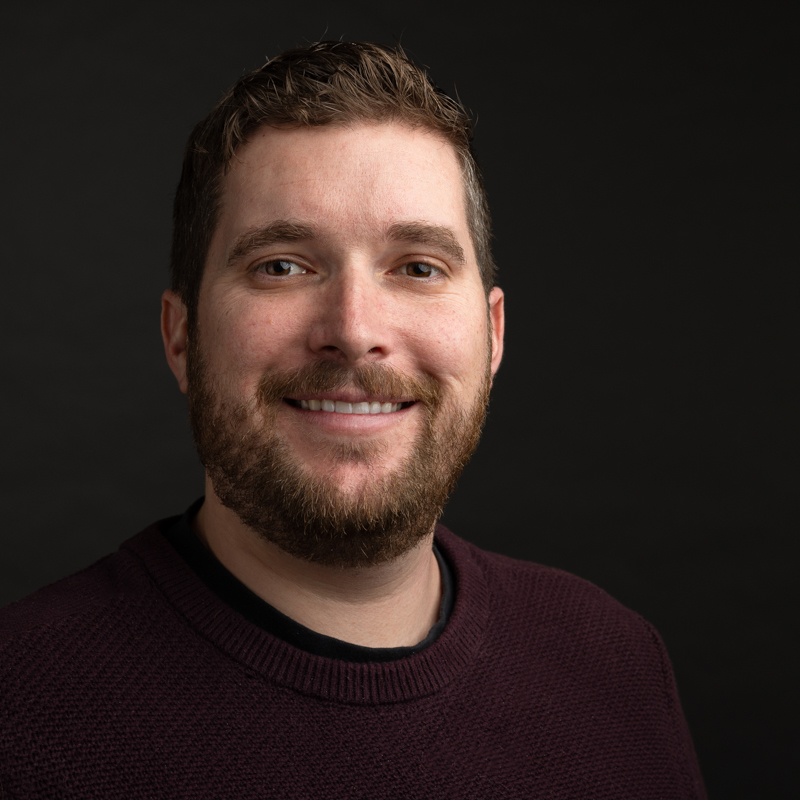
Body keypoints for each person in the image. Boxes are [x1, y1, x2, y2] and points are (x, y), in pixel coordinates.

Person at [0, 42, 706, 798]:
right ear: (181, 338)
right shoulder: (23, 712)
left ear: (493, 334)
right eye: (282, 265)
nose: (353, 327)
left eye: (417, 267)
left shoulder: (616, 663)